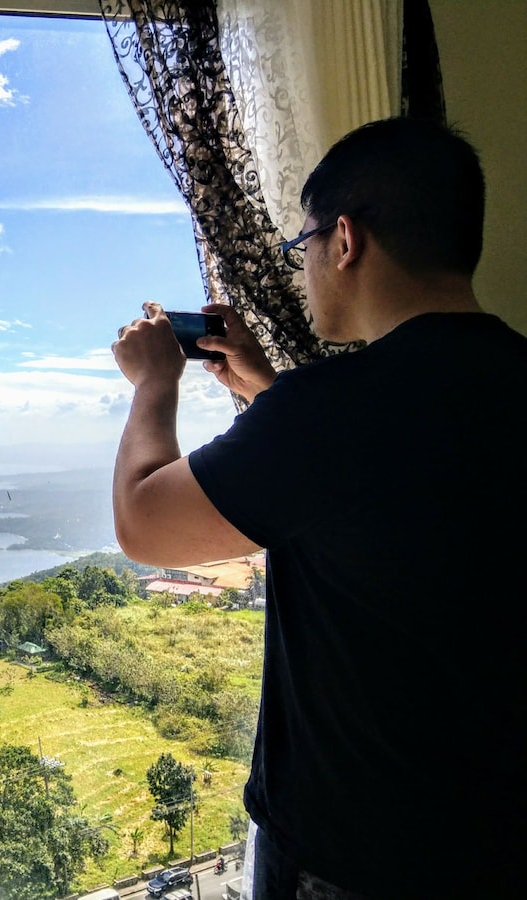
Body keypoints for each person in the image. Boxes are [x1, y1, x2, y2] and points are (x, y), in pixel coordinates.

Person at [110, 116, 527, 899]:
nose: (303, 272)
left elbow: (142, 522)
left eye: (301, 249)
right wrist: (271, 391)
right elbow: (398, 486)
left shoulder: (330, 412)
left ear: (345, 240)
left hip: (354, 850)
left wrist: (154, 383)